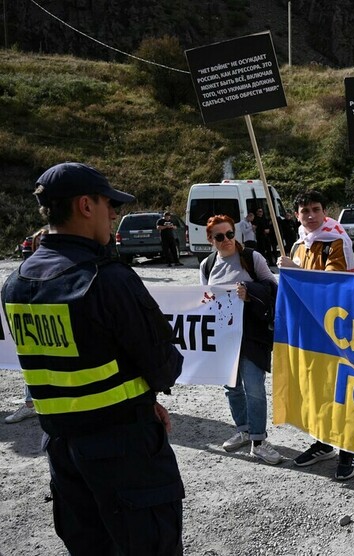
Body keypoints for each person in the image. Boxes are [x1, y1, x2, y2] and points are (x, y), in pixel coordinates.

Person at [1, 162, 185, 555]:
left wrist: (141, 398)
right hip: (127, 453)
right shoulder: (107, 278)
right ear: (86, 205)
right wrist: (142, 398)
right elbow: (163, 364)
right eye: (108, 204)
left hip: (64, 454)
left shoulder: (16, 283)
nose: (113, 214)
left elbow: (65, 366)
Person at [278, 190, 354, 480]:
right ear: (296, 215)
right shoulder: (299, 244)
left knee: (341, 390)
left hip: (336, 330)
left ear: (325, 211)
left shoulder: (336, 240)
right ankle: (323, 442)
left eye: (316, 209)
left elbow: (334, 283)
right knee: (316, 388)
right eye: (305, 211)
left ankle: (348, 451)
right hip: (308, 329)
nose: (311, 215)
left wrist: (295, 271)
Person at [200, 214, 282, 465]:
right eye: (219, 236)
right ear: (210, 239)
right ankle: (244, 430)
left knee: (254, 388)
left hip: (252, 335)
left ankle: (258, 440)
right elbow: (204, 299)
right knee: (232, 388)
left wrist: (249, 294)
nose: (226, 240)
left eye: (230, 234)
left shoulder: (252, 257)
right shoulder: (207, 265)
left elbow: (273, 288)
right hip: (225, 337)